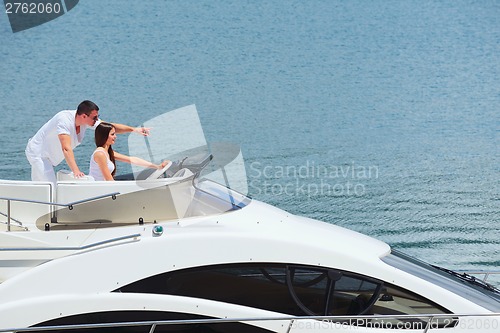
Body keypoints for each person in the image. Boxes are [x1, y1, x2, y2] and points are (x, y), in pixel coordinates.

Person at [25, 100, 150, 183]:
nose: (97, 120)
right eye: (94, 117)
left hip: (50, 158)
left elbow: (109, 127)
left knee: (48, 185)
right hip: (39, 155)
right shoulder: (64, 120)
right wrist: (76, 170)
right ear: (84, 116)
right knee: (49, 187)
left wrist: (134, 130)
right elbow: (66, 148)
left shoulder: (86, 122)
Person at [89, 122, 169, 181]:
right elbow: (109, 180)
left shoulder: (108, 152)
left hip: (104, 188)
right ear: (104, 136)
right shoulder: (100, 154)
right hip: (99, 190)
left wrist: (157, 166)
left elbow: (132, 160)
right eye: (112, 134)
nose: (115, 136)